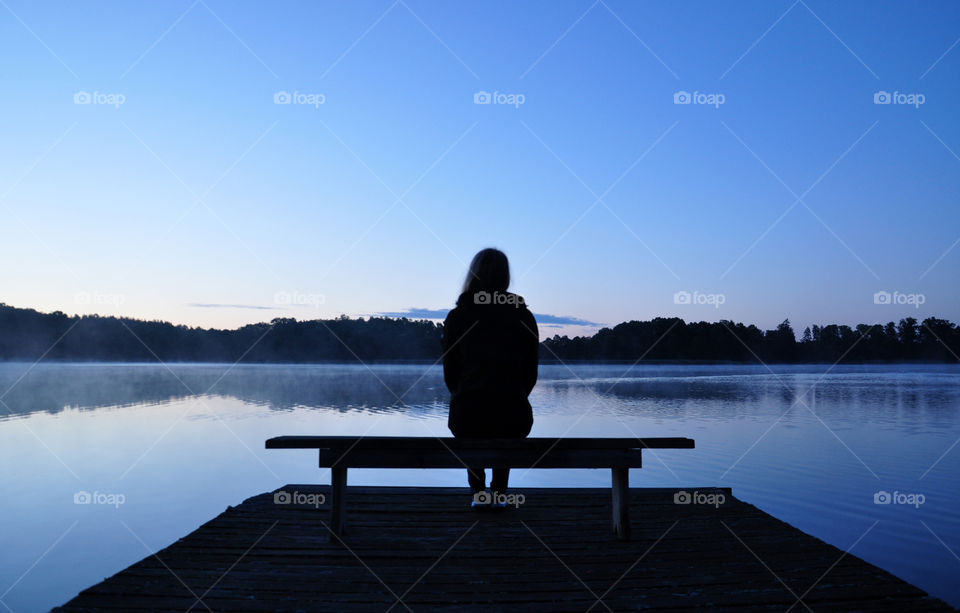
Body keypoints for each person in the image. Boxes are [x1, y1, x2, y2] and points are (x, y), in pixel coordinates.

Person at [442, 248, 539, 507]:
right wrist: (515, 393)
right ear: (506, 277)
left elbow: (451, 373)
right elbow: (531, 373)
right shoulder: (523, 316)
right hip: (514, 414)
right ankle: (498, 492)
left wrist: (465, 392)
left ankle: (479, 492)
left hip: (467, 413)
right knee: (506, 416)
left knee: (470, 416)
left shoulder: (458, 316)